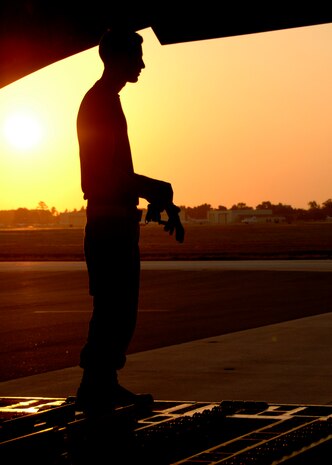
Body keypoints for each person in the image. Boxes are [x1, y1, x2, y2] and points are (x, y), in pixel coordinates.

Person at [75, 27, 184, 415]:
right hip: (109, 227)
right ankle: (96, 387)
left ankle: (102, 384)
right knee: (113, 309)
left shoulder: (106, 101)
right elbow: (100, 176)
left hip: (117, 223)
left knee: (118, 311)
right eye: (136, 56)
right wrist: (156, 188)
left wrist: (153, 195)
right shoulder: (100, 103)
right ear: (118, 58)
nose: (141, 64)